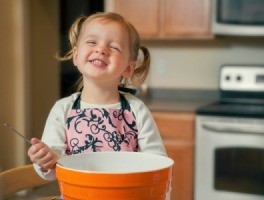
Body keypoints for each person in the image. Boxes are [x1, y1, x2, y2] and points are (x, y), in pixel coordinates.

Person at [27, 12, 167, 181]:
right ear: (76, 55)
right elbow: (52, 171)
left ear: (128, 68)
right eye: (92, 42)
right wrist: (44, 159)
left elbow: (157, 163)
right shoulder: (62, 110)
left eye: (114, 47)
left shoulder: (137, 110)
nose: (101, 49)